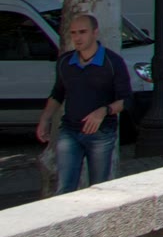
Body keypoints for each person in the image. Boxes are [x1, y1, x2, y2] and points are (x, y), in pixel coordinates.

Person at [37, 12, 132, 194]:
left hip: (101, 133)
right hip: (70, 130)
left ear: (95, 33)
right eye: (73, 33)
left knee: (98, 188)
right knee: (65, 188)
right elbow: (58, 93)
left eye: (82, 32)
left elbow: (126, 100)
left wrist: (104, 111)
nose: (77, 38)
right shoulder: (65, 61)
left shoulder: (113, 62)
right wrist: (45, 118)